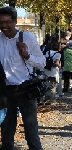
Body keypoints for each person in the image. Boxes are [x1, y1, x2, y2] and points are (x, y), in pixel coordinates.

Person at [0, 7, 45, 150]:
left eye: (7, 22)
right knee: (6, 135)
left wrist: (27, 55)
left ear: (15, 21)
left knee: (31, 134)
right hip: (5, 92)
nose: (4, 26)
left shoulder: (27, 37)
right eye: (1, 23)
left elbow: (42, 62)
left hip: (25, 90)